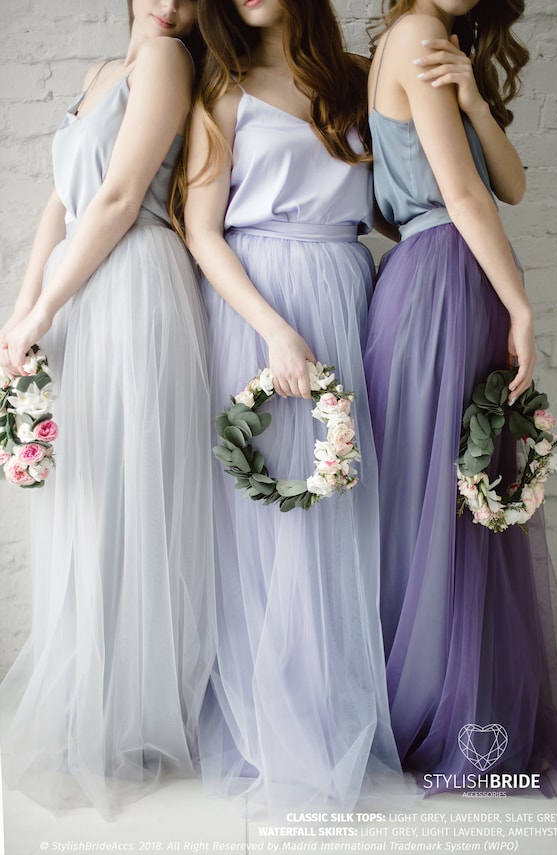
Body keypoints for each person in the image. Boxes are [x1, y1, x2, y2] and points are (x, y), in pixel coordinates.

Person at [182, 0, 406, 813]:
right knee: (270, 513)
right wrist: (275, 329)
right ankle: (270, 726)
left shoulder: (354, 84)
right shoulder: (225, 92)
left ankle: (332, 708)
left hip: (346, 290)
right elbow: (203, 232)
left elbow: (399, 195)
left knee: (340, 505)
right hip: (259, 303)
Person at [0, 0, 214, 814]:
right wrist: (24, 311)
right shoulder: (99, 76)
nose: (169, 4)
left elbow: (121, 196)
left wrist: (44, 310)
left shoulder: (168, 62)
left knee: (124, 496)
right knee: (84, 493)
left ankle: (125, 716)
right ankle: (92, 699)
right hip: (77, 288)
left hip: (128, 285)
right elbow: (58, 205)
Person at [364, 0, 557, 788]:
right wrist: (520, 303)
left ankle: (460, 706)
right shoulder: (414, 34)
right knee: (445, 500)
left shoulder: (432, 46)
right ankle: (434, 710)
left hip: (450, 279)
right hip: (446, 280)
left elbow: (509, 184)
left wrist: (477, 101)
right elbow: (462, 195)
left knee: (459, 494)